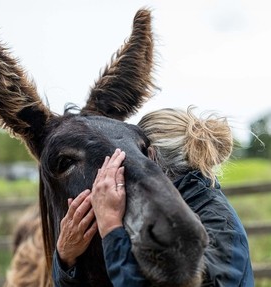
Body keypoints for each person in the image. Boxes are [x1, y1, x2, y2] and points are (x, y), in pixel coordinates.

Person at [52, 107, 254, 286]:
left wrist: (111, 228)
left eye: (135, 154)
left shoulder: (217, 222)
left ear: (151, 156)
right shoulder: (159, 213)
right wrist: (65, 260)